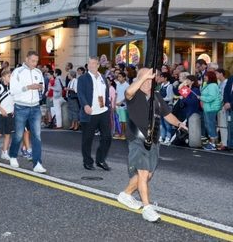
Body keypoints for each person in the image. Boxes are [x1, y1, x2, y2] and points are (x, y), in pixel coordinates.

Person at [117, 68, 187, 222]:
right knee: (143, 172)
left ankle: (126, 194)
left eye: (151, 80)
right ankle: (147, 208)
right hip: (137, 138)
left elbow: (167, 115)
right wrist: (142, 78)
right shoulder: (134, 94)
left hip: (153, 139)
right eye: (146, 79)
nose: (149, 83)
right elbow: (128, 92)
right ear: (139, 80)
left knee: (148, 174)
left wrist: (180, 124)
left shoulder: (156, 96)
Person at [8, 51, 47, 173]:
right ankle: (13, 155)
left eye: (36, 61)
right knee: (19, 135)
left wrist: (40, 88)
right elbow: (13, 90)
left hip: (35, 107)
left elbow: (43, 88)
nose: (34, 63)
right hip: (21, 107)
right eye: (32, 61)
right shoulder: (17, 72)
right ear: (26, 59)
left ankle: (37, 163)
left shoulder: (38, 72)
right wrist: (28, 87)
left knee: (37, 136)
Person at [77, 56, 112, 171]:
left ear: (98, 65)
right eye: (89, 63)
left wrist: (108, 105)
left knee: (107, 137)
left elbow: (106, 93)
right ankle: (87, 162)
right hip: (90, 113)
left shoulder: (102, 77)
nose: (91, 65)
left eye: (93, 63)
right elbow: (80, 94)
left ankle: (100, 160)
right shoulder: (83, 78)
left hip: (103, 112)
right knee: (87, 139)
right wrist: (85, 105)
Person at [198, 71, 222, 150]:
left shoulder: (212, 85)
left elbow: (212, 97)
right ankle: (213, 142)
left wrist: (201, 98)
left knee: (210, 125)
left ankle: (213, 144)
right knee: (209, 125)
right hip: (208, 107)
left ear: (210, 77)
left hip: (211, 108)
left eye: (206, 76)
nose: (204, 77)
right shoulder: (209, 84)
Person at [0, 69, 14, 161]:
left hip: (9, 113)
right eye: (9, 76)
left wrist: (13, 109)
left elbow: (14, 99)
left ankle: (4, 151)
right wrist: (1, 109)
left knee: (7, 134)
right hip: (0, 114)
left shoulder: (12, 87)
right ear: (3, 77)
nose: (11, 78)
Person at [114, 71, 130, 139]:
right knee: (118, 120)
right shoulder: (117, 84)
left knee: (123, 120)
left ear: (124, 78)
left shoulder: (127, 85)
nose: (119, 78)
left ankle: (124, 134)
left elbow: (127, 96)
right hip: (117, 104)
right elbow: (116, 94)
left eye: (120, 77)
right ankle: (119, 133)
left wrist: (121, 102)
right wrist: (114, 102)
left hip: (123, 105)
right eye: (118, 77)